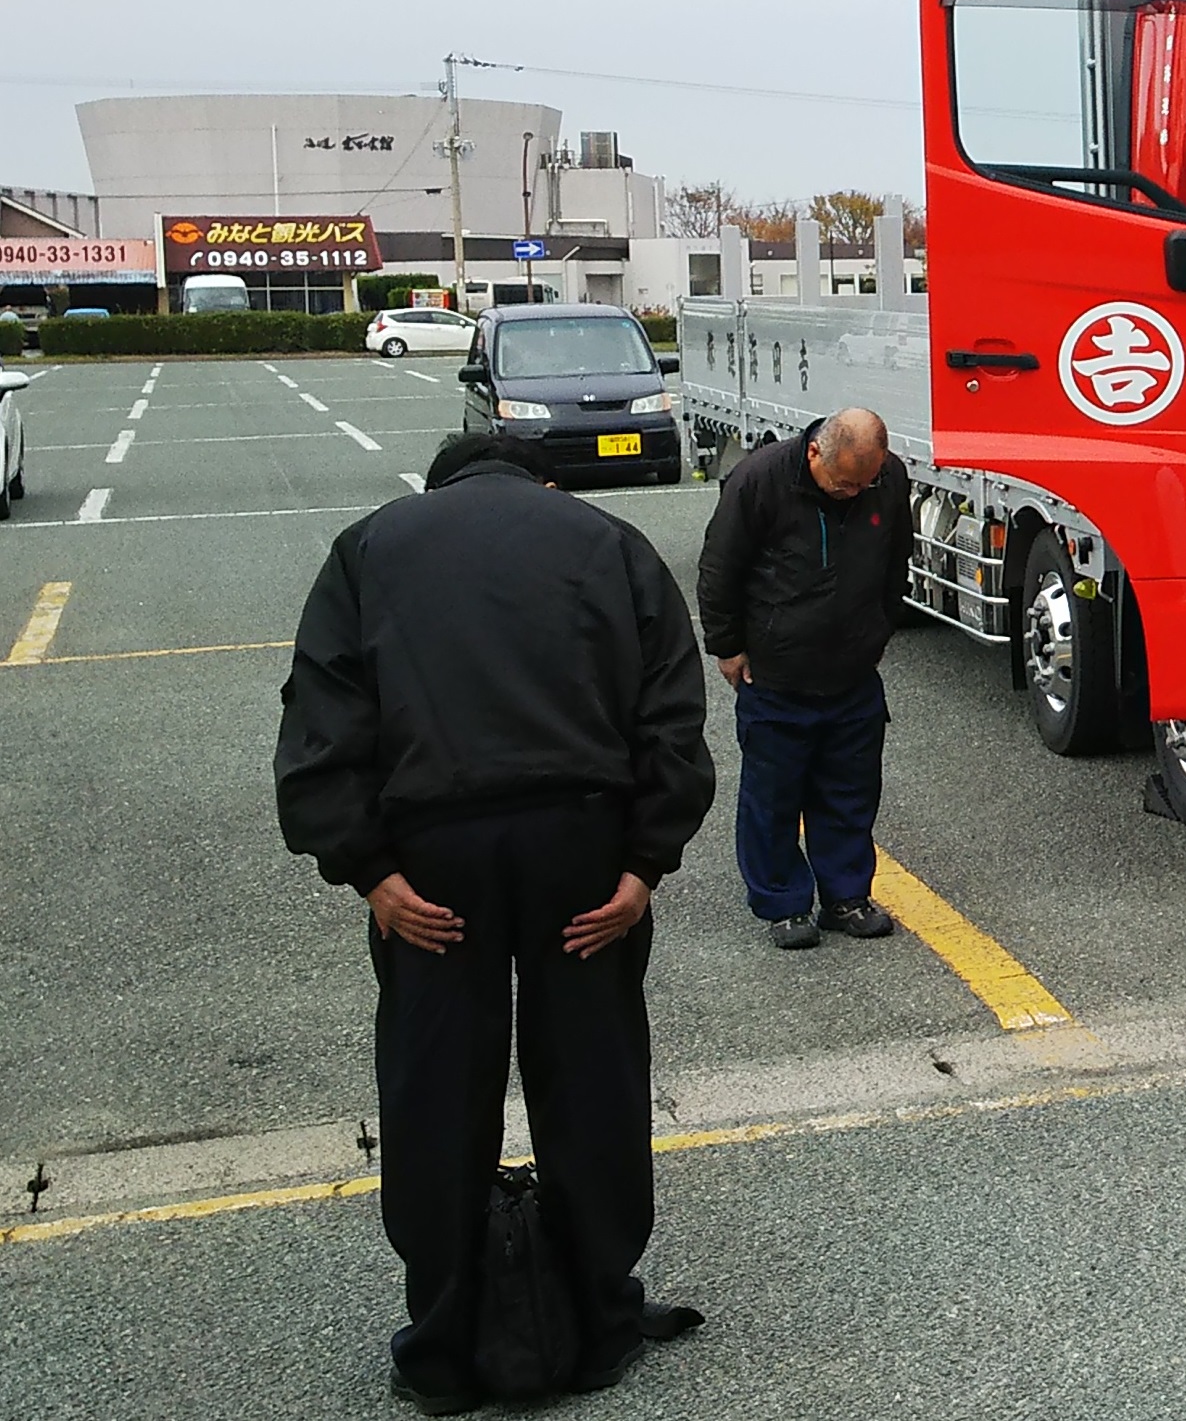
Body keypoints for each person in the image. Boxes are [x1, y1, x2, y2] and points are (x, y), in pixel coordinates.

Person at [275, 431, 715, 1412]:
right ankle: (601, 1320)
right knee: (592, 1082)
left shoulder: (371, 547)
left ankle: (439, 1348)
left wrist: (371, 872)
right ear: (539, 480)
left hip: (435, 862)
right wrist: (644, 865)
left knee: (437, 1094)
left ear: (436, 485)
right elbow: (670, 717)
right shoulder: (607, 541)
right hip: (584, 849)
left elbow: (320, 723)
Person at [696, 407, 915, 949]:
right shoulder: (761, 479)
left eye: (864, 484)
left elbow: (896, 558)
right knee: (773, 796)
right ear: (815, 452)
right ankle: (783, 903)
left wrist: (880, 629)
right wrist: (728, 647)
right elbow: (720, 567)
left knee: (851, 792)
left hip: (853, 672)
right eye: (843, 484)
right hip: (776, 670)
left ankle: (846, 896)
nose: (852, 494)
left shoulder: (885, 481)